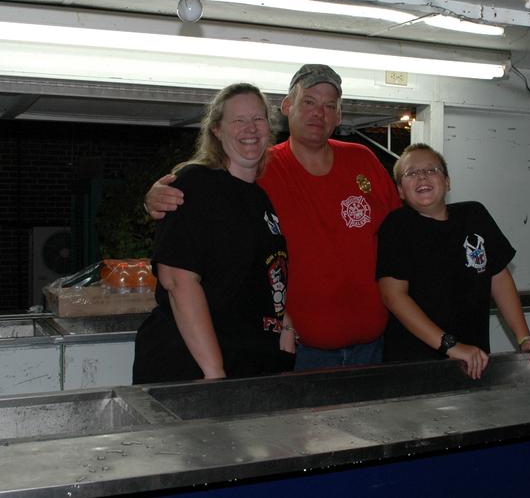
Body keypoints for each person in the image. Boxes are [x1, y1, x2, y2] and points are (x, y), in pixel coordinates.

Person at [144, 65, 401, 371]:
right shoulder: (259, 170)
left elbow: (402, 236)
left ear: (339, 117)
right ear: (287, 107)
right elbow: (181, 271)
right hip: (291, 355)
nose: (319, 112)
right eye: (308, 101)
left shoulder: (361, 160)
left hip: (363, 348)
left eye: (329, 105)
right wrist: (153, 198)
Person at [132, 83, 295, 384]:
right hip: (193, 367)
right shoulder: (194, 184)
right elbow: (177, 280)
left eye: (259, 119)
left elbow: (264, 273)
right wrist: (214, 373)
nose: (251, 128)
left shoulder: (259, 198)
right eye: (238, 120)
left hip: (249, 363)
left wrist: (284, 325)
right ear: (217, 131)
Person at [376, 143, 530, 379]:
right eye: (411, 173)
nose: (422, 177)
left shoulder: (475, 216)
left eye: (431, 170)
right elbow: (393, 296)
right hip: (414, 365)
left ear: (448, 181)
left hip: (474, 361)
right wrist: (450, 346)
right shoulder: (397, 226)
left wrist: (524, 338)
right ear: (400, 190)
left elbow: (498, 278)